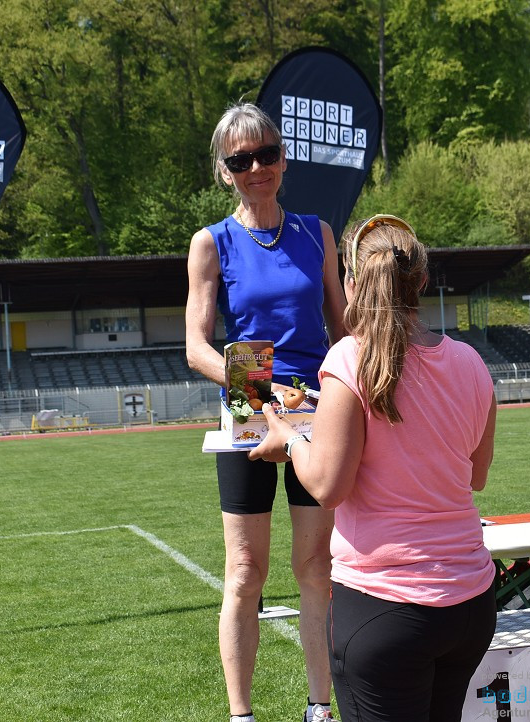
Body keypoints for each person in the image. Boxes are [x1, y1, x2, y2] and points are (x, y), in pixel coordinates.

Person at [248, 215, 498, 722]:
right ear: (422, 281)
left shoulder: (349, 359)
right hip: (470, 603)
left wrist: (291, 438)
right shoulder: (471, 362)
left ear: (353, 284)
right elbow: (475, 476)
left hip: (385, 607)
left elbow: (326, 486)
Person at [185, 102, 347, 722]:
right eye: (242, 160)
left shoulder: (317, 233)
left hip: (317, 408)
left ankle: (319, 707)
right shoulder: (211, 242)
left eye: (267, 155)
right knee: (245, 570)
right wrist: (259, 386)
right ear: (225, 171)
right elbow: (197, 346)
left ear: (284, 158)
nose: (258, 168)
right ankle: (241, 714)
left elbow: (342, 326)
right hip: (248, 403)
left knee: (315, 566)